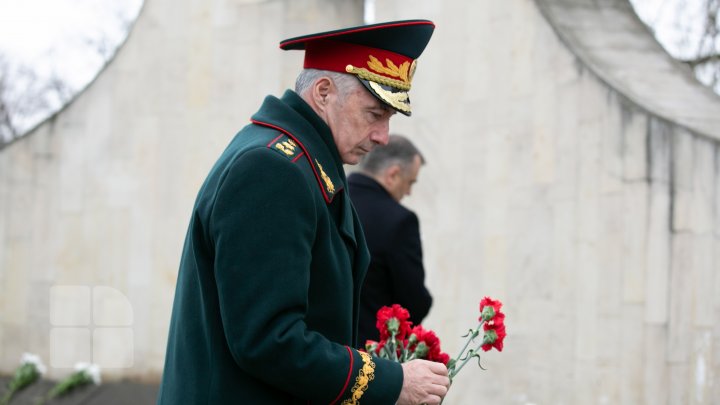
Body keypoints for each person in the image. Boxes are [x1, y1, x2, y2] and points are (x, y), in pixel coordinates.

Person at [157, 20, 451, 405]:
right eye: (374, 113)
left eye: (389, 119)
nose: (382, 136)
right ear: (324, 92)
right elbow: (268, 338)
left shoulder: (304, 161)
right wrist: (391, 381)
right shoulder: (273, 168)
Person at [348, 135, 432, 346]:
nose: (409, 192)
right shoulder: (399, 221)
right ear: (393, 174)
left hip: (317, 349)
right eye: (410, 182)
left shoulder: (330, 199)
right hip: (369, 356)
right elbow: (414, 303)